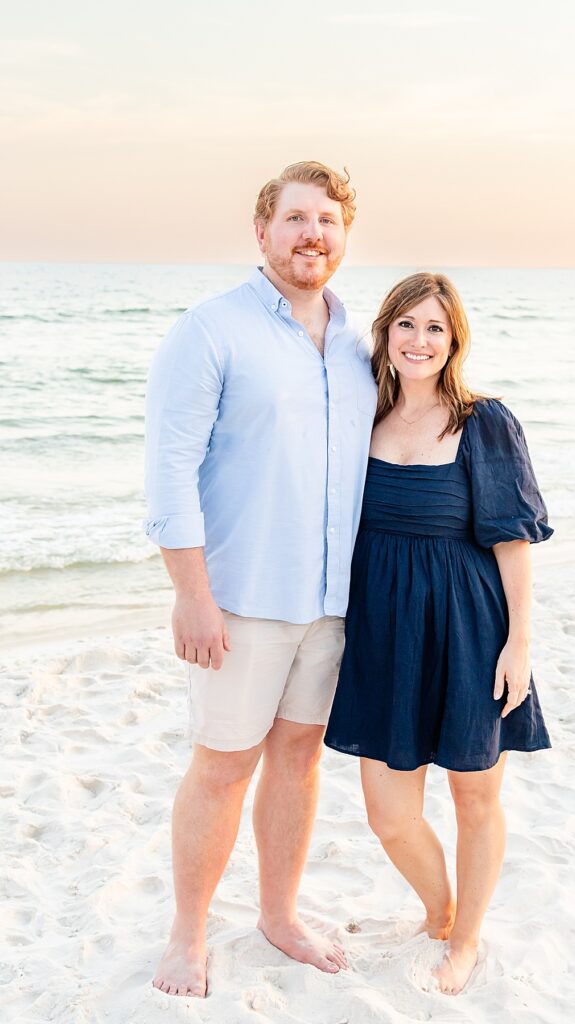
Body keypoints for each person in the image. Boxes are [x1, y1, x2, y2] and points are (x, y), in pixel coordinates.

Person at [144, 161, 377, 998]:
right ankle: (187, 934)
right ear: (262, 230)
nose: (312, 233)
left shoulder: (360, 345)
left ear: (343, 236)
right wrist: (190, 594)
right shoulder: (210, 329)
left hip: (331, 605)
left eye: (327, 221)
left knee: (298, 760)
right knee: (221, 766)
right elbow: (169, 471)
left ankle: (278, 916)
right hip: (240, 602)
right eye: (295, 218)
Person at [324, 271, 553, 996]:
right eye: (407, 325)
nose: (419, 340)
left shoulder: (484, 421)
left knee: (473, 796)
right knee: (388, 814)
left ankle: (464, 937)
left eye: (435, 328)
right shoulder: (361, 415)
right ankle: (438, 907)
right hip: (384, 631)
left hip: (468, 626)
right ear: (384, 333)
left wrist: (517, 644)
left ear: (453, 339)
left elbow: (512, 542)